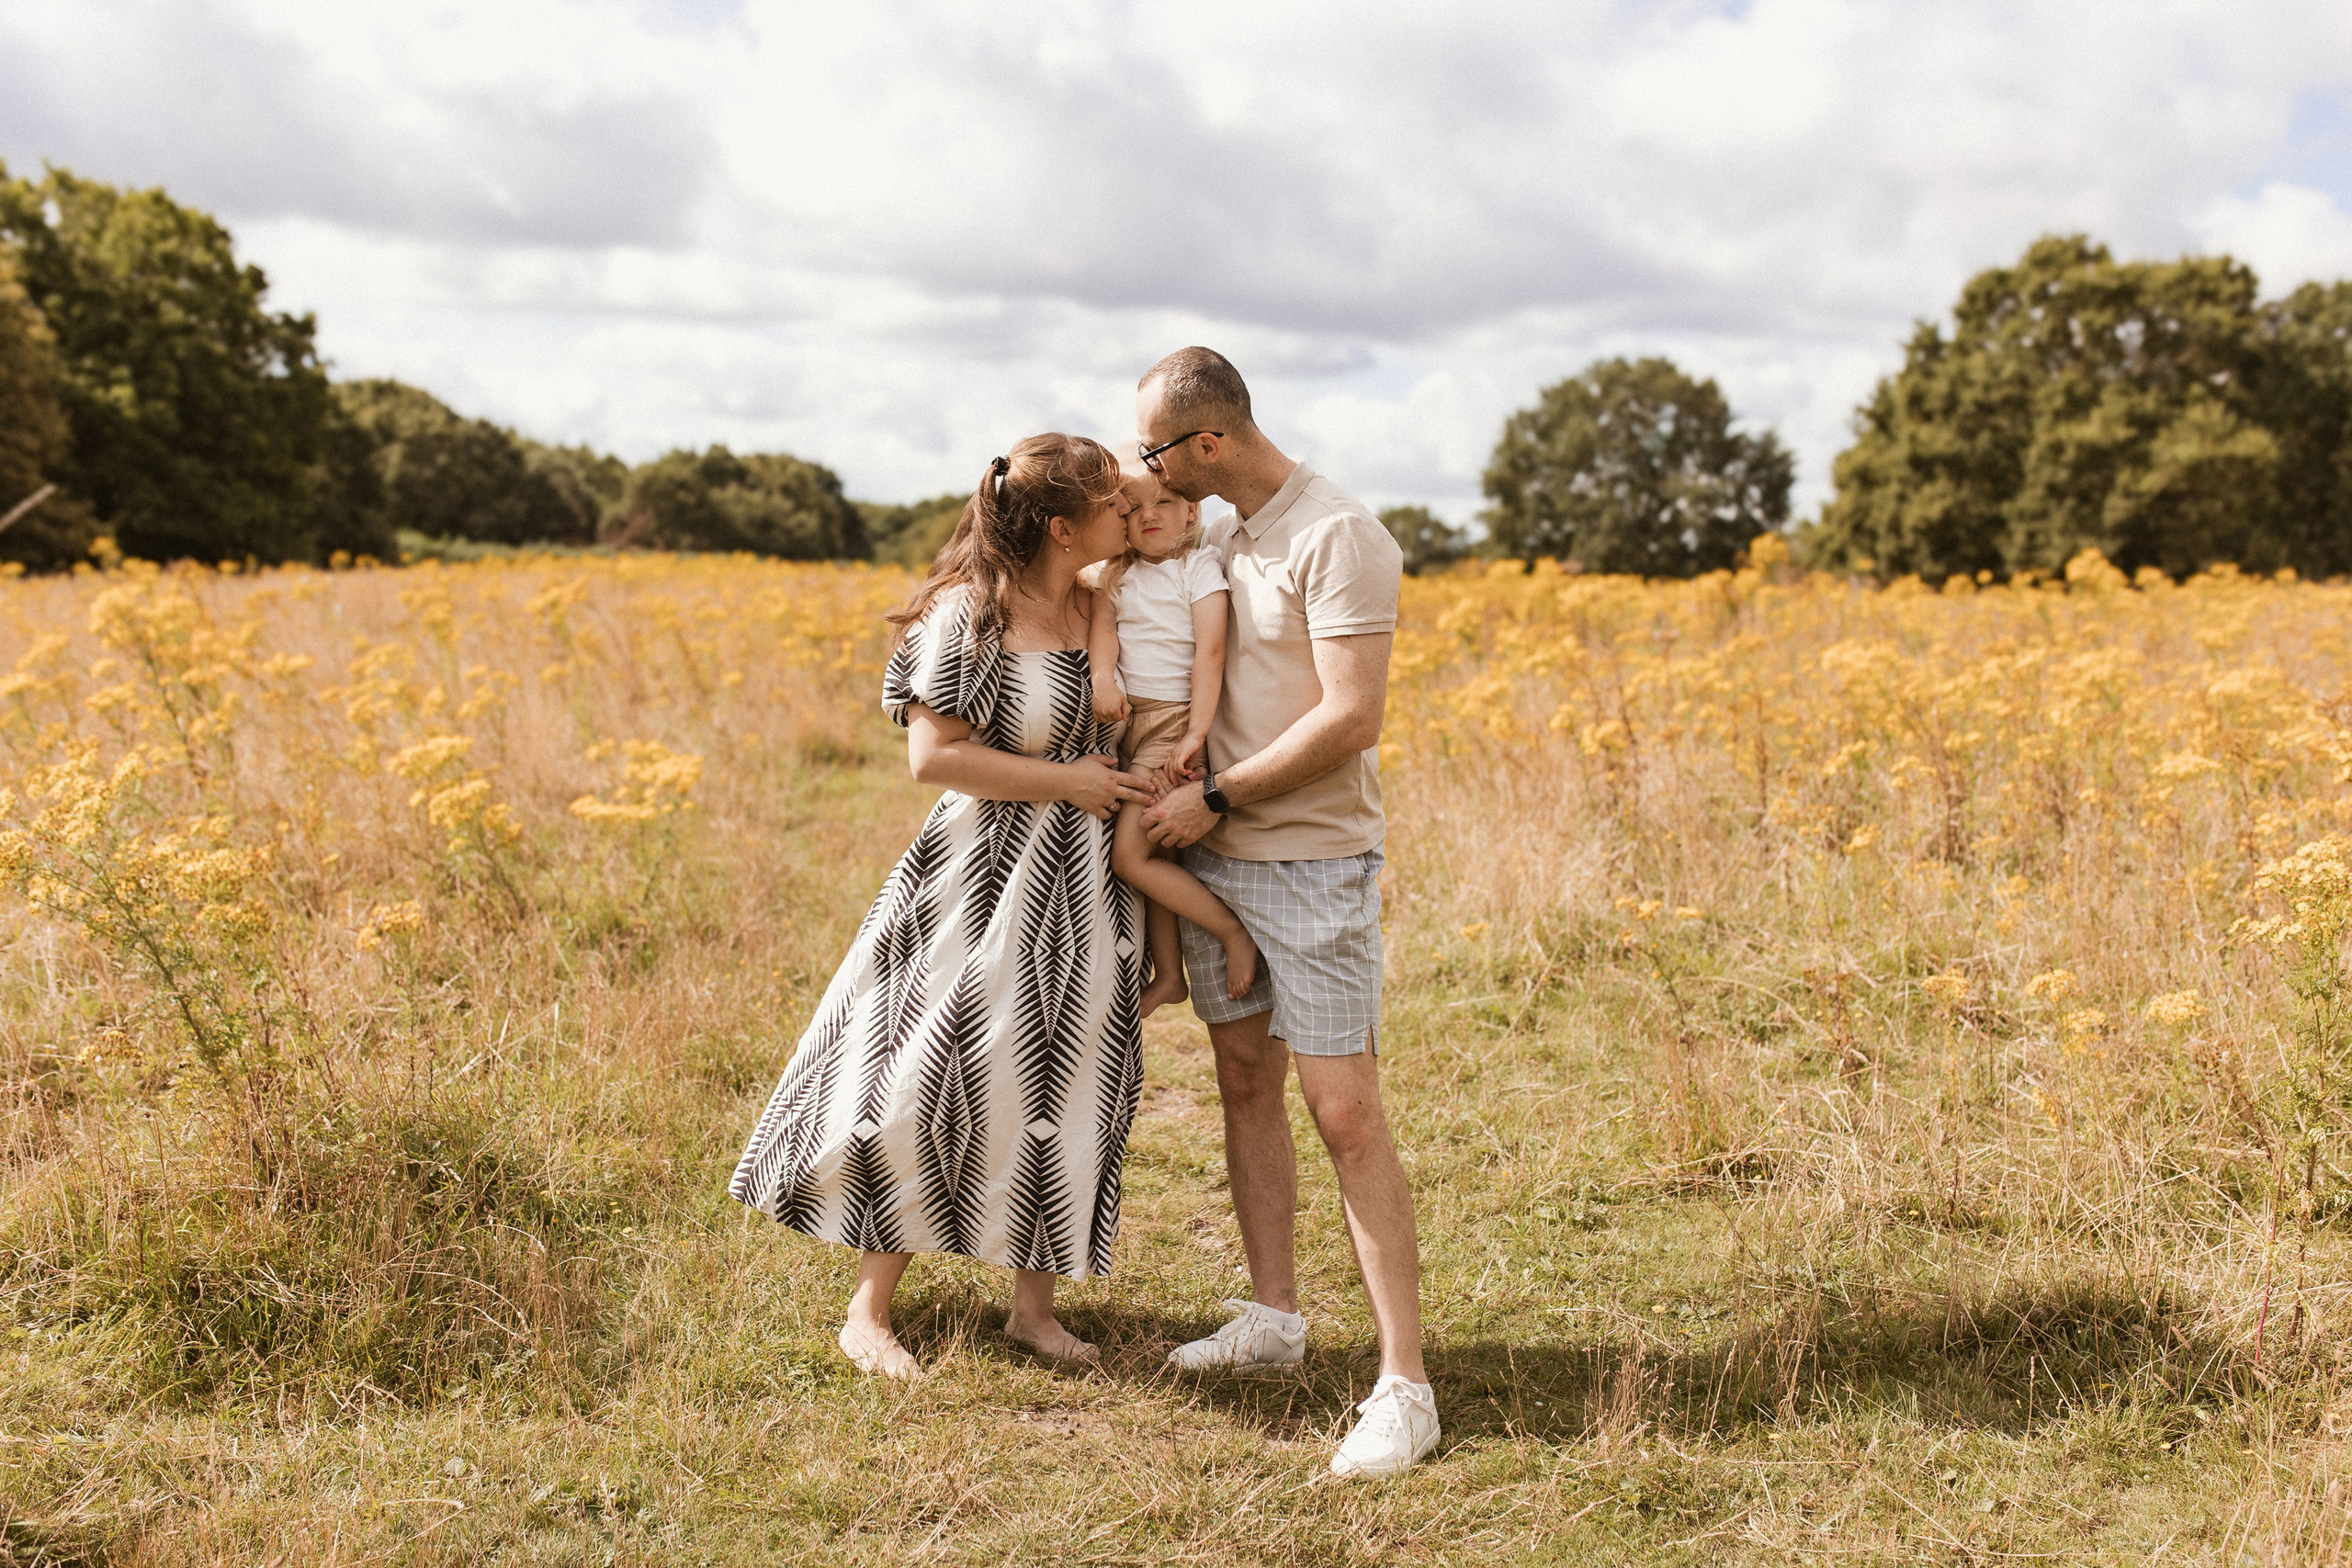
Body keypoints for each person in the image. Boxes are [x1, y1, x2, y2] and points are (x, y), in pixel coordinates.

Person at [728, 433, 1156, 1381]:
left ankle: (1032, 1313)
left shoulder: (1093, 605)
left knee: (1065, 1079)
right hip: (981, 875)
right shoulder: (966, 617)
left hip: (1082, 886)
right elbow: (934, 757)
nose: (1127, 515)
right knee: (933, 1075)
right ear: (1060, 524)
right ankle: (868, 1310)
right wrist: (1065, 782)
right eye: (1111, 505)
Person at [1134, 347, 1441, 1479]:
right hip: (1219, 863)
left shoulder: (1339, 534)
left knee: (1345, 1111)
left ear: (1207, 443)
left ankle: (1403, 1385)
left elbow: (1352, 718)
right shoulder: (1220, 538)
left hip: (1309, 865)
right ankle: (1274, 1316)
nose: (1146, 469)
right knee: (1243, 1080)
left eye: (1156, 450)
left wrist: (1210, 796)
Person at [1086, 460, 1259, 1020]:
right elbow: (1104, 634)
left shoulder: (1199, 566)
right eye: (1132, 508)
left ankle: (1232, 932)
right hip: (1131, 727)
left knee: (1132, 858)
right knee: (1161, 854)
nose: (1148, 516)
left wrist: (1197, 734)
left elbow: (1210, 652)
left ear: (1192, 511)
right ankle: (1169, 974)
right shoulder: (1115, 575)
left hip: (1177, 725)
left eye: (1162, 502)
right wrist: (1102, 679)